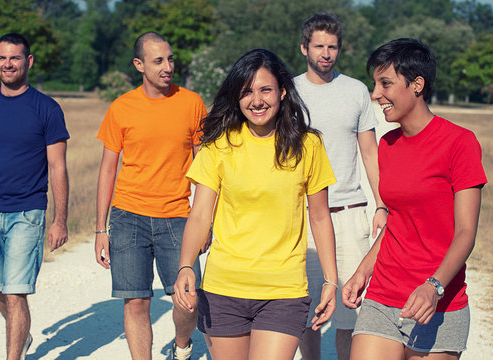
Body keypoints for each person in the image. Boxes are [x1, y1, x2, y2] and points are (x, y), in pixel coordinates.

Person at [174, 48, 338, 360]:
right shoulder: (218, 145)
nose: (257, 100)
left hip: (284, 291)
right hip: (224, 287)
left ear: (283, 91)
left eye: (265, 89)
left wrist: (330, 279)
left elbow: (319, 216)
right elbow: (199, 216)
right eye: (247, 91)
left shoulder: (309, 144)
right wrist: (186, 265)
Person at [342, 38, 487, 360]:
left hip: (438, 302)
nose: (376, 94)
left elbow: (466, 233)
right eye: (375, 84)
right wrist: (363, 271)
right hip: (382, 296)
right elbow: (397, 219)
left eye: (386, 84)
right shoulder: (387, 144)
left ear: (417, 85)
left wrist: (434, 286)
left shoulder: (459, 143)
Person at [0, 33, 69, 360]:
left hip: (27, 214)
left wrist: (60, 220)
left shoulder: (47, 109)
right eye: (2, 58)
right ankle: (23, 336)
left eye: (15, 58)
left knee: (16, 293)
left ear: (28, 61)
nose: (8, 64)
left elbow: (58, 167)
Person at [94, 32, 207, 360]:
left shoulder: (192, 103)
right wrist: (101, 229)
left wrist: (207, 220)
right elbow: (107, 170)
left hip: (177, 217)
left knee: (187, 298)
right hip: (129, 217)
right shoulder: (122, 107)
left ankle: (182, 347)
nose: (167, 66)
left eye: (170, 59)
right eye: (158, 61)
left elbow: (205, 168)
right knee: (136, 301)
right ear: (139, 64)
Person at [294, 12, 387, 360]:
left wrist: (381, 204)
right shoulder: (289, 91)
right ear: (305, 47)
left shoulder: (356, 91)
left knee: (351, 311)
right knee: (306, 310)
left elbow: (369, 151)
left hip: (348, 213)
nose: (326, 53)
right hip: (301, 216)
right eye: (319, 46)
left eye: (332, 46)